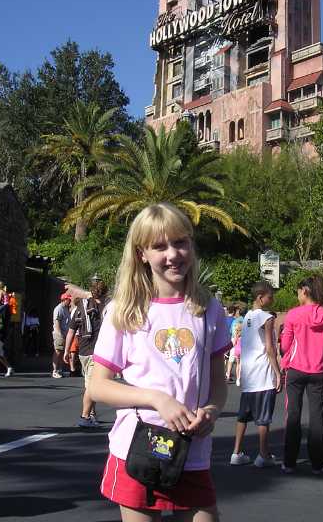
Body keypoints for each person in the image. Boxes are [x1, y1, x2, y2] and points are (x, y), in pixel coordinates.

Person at [87, 203, 230, 521]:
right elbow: (98, 386)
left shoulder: (209, 309)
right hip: (138, 450)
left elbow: (218, 383)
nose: (173, 254)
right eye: (160, 246)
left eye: (180, 242)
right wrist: (157, 399)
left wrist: (212, 410)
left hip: (192, 452)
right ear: (142, 253)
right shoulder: (124, 310)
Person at [280, 275, 323, 475]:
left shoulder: (293, 315)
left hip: (295, 369)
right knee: (316, 416)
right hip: (318, 370)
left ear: (305, 291)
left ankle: (289, 462)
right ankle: (318, 464)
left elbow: (285, 345)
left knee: (293, 415)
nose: (297, 295)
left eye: (298, 292)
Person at [230, 281, 280, 468]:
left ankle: (236, 453)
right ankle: (263, 455)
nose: (272, 300)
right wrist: (278, 372)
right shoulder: (267, 317)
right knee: (263, 418)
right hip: (262, 372)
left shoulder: (247, 317)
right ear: (261, 298)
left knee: (243, 415)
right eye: (270, 297)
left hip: (248, 373)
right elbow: (270, 348)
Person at [64, 280, 107, 427]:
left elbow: (71, 331)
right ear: (105, 293)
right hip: (97, 351)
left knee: (89, 383)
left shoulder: (80, 309)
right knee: (92, 386)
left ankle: (91, 415)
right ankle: (86, 416)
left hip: (83, 351)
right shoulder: (105, 308)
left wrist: (66, 350)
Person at [52, 293, 72, 379]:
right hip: (59, 334)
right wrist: (60, 335)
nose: (70, 301)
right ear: (64, 299)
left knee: (62, 352)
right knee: (58, 351)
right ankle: (55, 371)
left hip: (65, 334)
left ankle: (60, 370)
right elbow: (57, 322)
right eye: (68, 299)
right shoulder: (59, 309)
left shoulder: (66, 308)